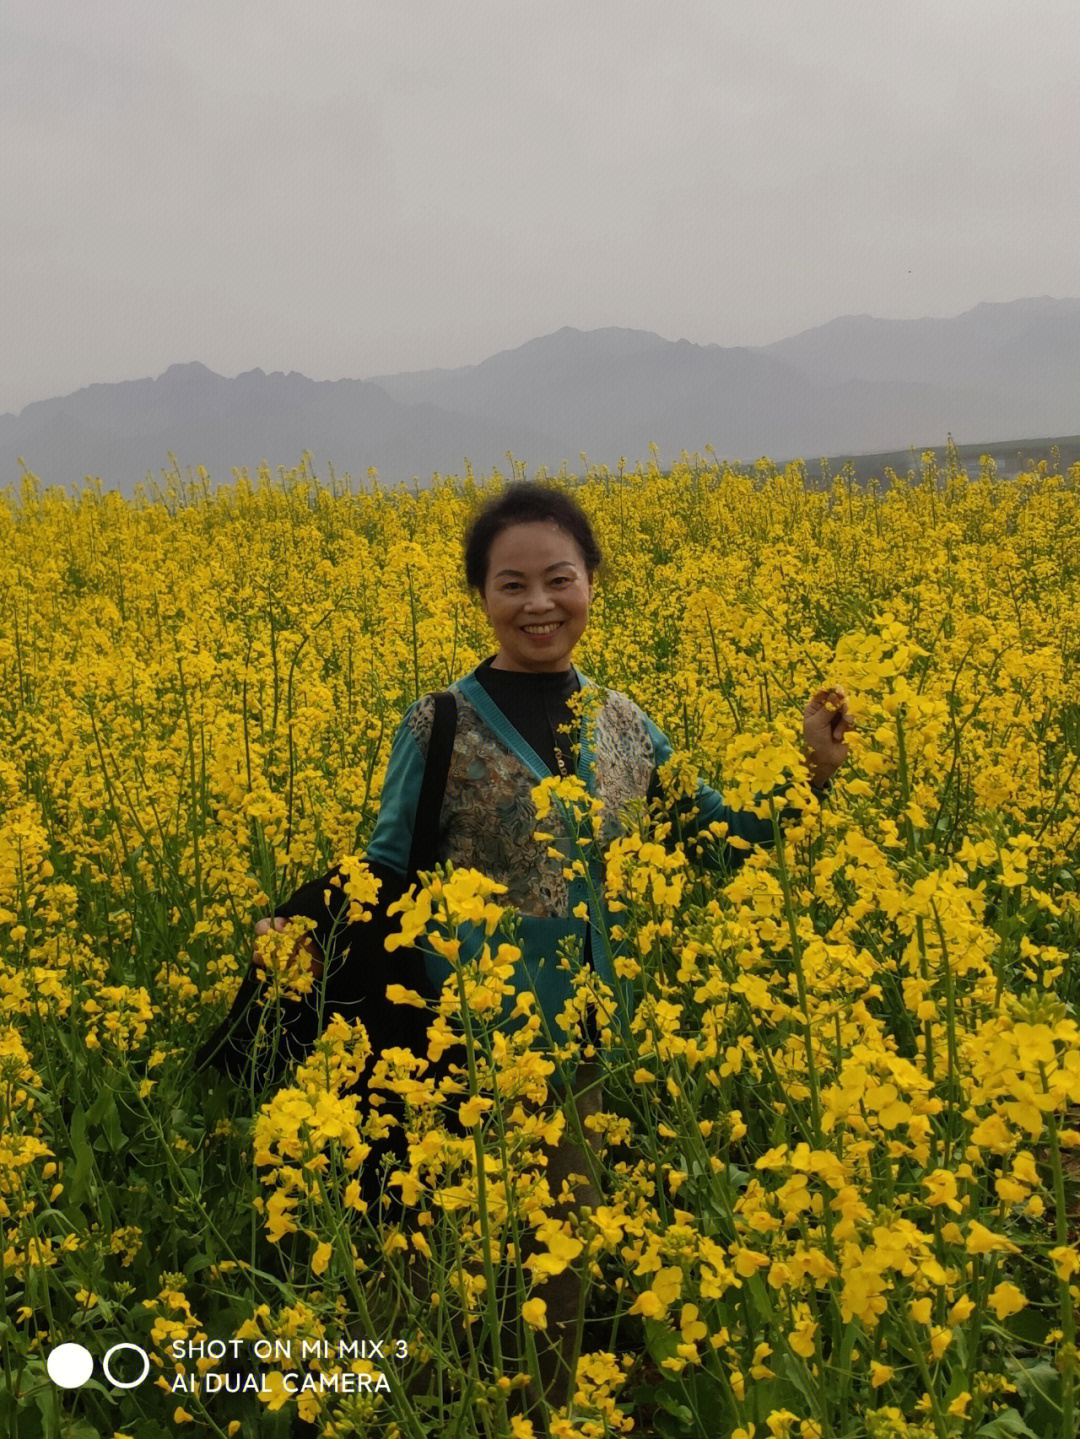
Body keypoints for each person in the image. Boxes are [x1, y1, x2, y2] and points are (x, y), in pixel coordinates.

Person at [254, 479, 854, 1410]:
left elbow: (709, 835)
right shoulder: (439, 721)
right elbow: (383, 860)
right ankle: (360, 1412)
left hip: (573, 1040)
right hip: (447, 1040)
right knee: (426, 1257)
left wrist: (811, 773)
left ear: (590, 583)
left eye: (558, 578)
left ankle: (551, 1415)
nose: (539, 603)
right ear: (482, 597)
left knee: (560, 1254)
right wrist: (301, 920)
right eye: (512, 584)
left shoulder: (624, 723)